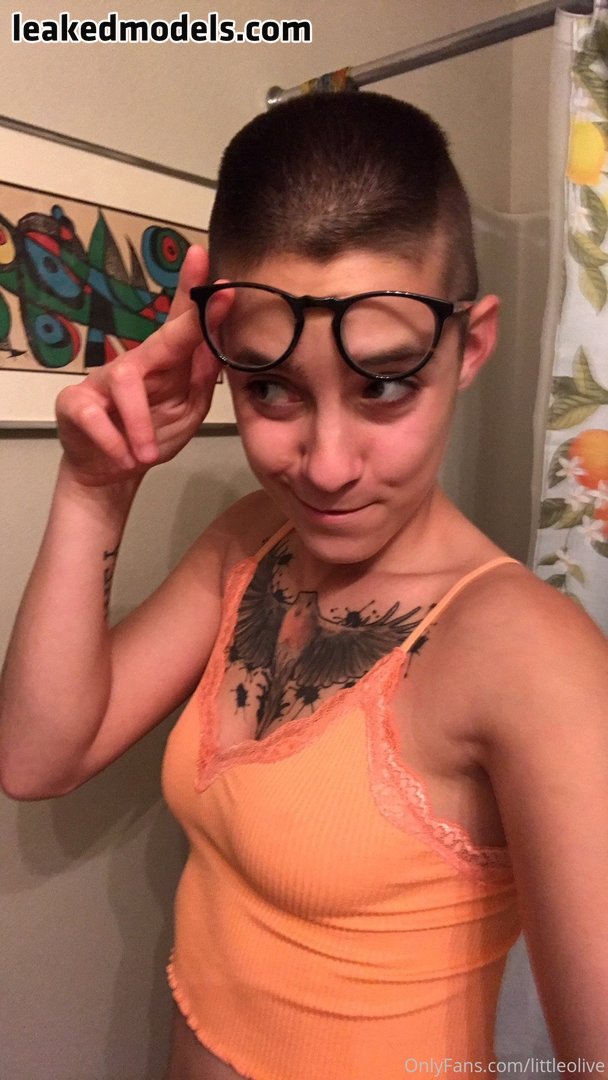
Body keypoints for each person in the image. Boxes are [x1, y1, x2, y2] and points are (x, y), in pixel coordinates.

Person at [0, 92, 607, 1080]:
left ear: (470, 348)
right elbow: (38, 758)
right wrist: (94, 488)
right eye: (271, 389)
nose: (324, 468)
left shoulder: (532, 660)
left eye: (384, 385)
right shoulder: (251, 541)